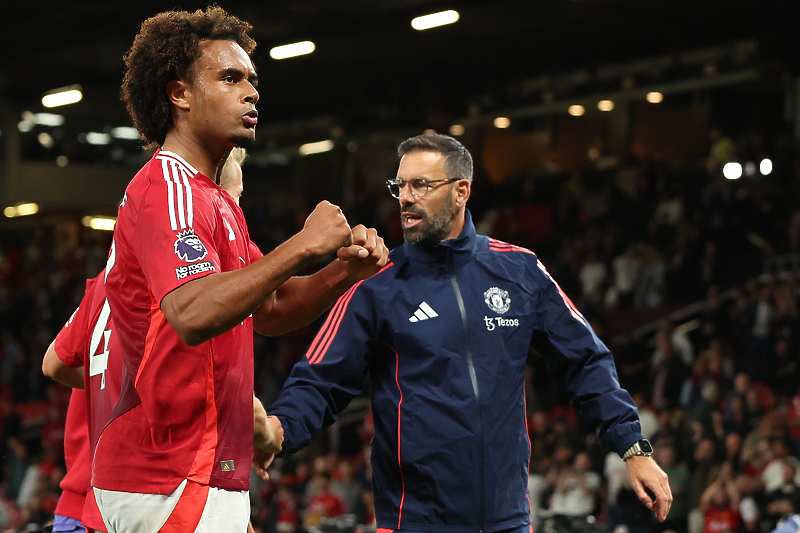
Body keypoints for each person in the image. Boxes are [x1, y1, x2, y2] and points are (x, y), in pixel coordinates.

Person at [267, 133, 673, 533]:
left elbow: (586, 360)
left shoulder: (520, 270)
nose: (405, 198)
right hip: (416, 523)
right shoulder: (376, 285)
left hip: (508, 521)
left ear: (461, 191)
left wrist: (632, 447)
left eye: (421, 185)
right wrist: (278, 431)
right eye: (400, 186)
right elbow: (320, 379)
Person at [91, 16, 390, 524]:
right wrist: (301, 246)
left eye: (253, 80)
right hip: (168, 472)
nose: (252, 93)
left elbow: (268, 308)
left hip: (201, 469)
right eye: (231, 78)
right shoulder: (170, 187)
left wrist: (343, 272)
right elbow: (191, 310)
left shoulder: (212, 199)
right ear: (180, 94)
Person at [41, 150, 284, 532]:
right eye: (232, 199)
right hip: (158, 486)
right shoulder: (184, 295)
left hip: (92, 496)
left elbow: (53, 363)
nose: (237, 218)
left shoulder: (105, 283)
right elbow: (232, 397)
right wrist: (268, 435)